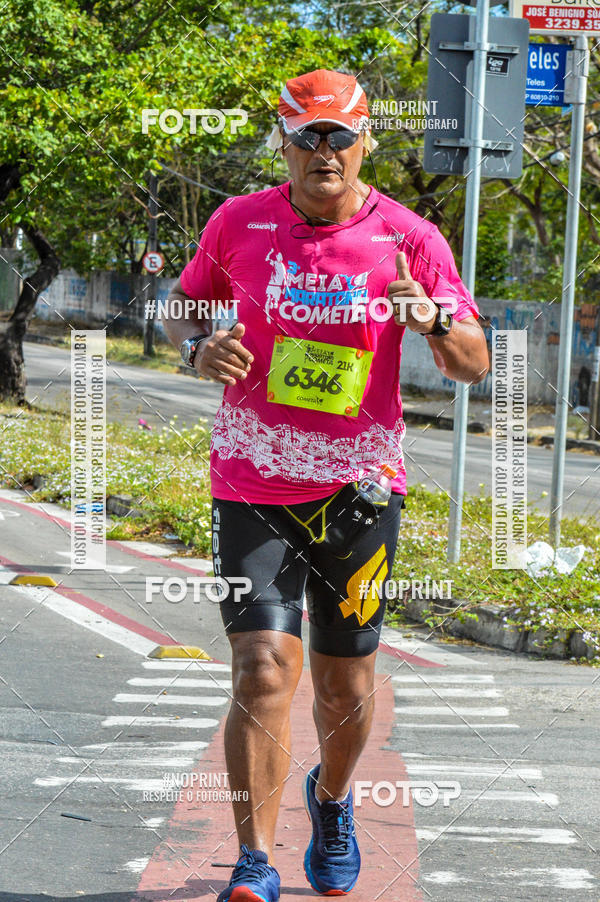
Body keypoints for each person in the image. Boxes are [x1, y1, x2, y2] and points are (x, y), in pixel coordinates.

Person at [163, 68, 489, 902]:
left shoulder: (412, 238)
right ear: (284, 144)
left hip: (358, 488)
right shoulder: (240, 221)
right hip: (251, 478)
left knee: (345, 682)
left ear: (366, 141)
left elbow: (473, 364)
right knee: (264, 667)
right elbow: (184, 305)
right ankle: (252, 862)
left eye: (339, 137)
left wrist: (434, 320)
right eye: (306, 137)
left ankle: (334, 800)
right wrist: (195, 350)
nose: (324, 153)